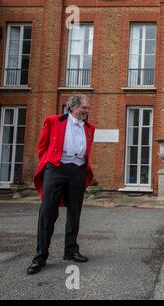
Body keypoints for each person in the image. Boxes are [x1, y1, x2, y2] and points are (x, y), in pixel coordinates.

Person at [27, 94, 95, 275]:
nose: (87, 111)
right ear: (72, 107)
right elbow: (42, 147)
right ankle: (40, 256)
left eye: (88, 108)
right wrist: (50, 164)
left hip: (78, 170)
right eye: (84, 108)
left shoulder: (89, 128)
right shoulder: (52, 121)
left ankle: (71, 250)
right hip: (56, 168)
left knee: (75, 212)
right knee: (47, 212)